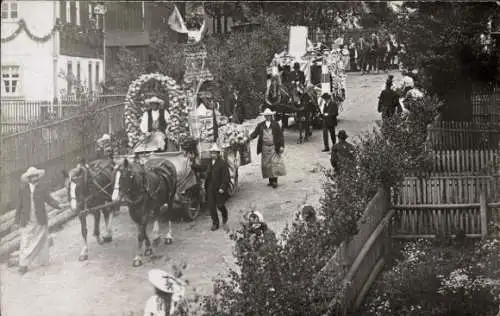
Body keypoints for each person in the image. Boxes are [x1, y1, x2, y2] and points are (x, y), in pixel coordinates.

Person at [14, 166, 63, 274]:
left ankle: (43, 260)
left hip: (40, 218)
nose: (36, 178)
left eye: (37, 176)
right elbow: (19, 205)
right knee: (25, 241)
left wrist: (59, 205)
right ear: (29, 178)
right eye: (33, 177)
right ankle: (23, 264)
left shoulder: (42, 188)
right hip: (26, 219)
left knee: (41, 240)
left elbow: (49, 200)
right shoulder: (22, 189)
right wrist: (16, 220)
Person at [249, 108, 286, 188]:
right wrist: (248, 138)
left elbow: (280, 136)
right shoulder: (261, 125)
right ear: (264, 116)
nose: (268, 117)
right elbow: (255, 134)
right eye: (266, 116)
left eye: (269, 116)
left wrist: (281, 146)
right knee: (267, 164)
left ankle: (275, 181)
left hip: (273, 146)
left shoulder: (275, 124)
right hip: (264, 147)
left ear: (271, 116)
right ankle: (270, 180)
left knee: (274, 163)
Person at [205, 143, 231, 232]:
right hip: (210, 187)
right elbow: (205, 172)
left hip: (219, 187)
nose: (213, 155)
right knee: (211, 206)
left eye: (215, 153)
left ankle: (225, 216)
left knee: (220, 205)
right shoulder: (209, 162)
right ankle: (215, 223)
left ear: (218, 153)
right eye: (212, 153)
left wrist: (223, 188)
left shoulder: (222, 163)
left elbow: (226, 177)